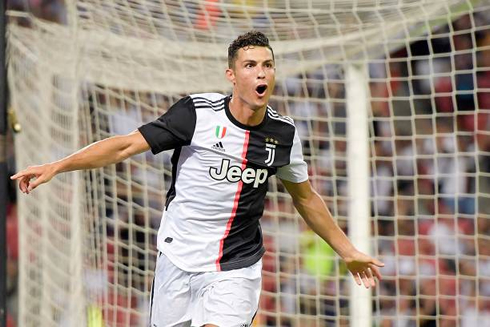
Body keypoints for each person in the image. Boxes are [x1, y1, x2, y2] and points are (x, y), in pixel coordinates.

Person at [11, 31, 384, 327]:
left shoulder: (282, 134)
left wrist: (347, 251)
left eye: (267, 65)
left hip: (236, 262)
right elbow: (125, 146)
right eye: (251, 65)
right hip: (178, 255)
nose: (261, 72)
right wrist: (57, 166)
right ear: (232, 75)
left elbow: (305, 198)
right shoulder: (197, 114)